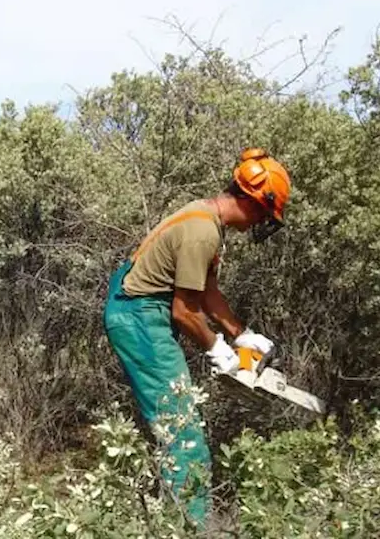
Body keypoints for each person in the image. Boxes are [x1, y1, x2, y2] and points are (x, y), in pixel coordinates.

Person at [102, 147, 290, 527]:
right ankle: (190, 528)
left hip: (143, 312)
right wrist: (219, 350)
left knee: (176, 425)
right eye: (263, 215)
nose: (259, 224)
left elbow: (206, 292)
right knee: (183, 431)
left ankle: (174, 517)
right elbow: (184, 311)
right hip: (140, 318)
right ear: (252, 201)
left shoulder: (207, 220)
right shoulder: (202, 232)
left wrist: (242, 335)